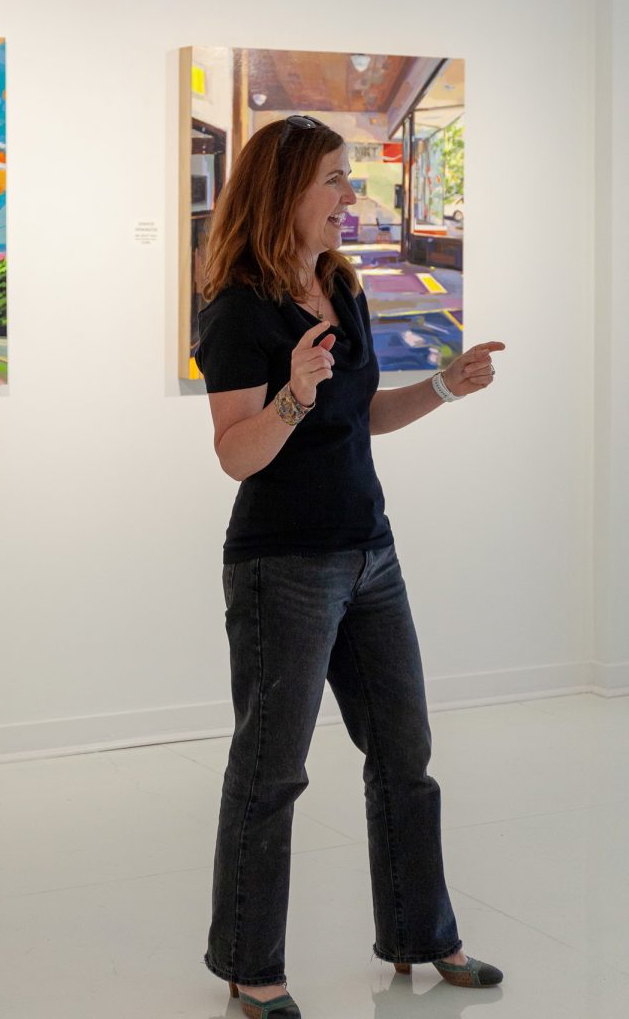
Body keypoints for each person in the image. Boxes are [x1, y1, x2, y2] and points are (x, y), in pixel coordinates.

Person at [194, 115, 505, 1019]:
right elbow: (236, 454)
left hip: (371, 553)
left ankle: (422, 933)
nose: (351, 197)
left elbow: (360, 416)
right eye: (334, 179)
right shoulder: (238, 312)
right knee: (271, 771)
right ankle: (252, 971)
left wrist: (445, 386)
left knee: (404, 752)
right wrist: (292, 393)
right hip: (282, 566)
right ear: (285, 191)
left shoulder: (341, 285)